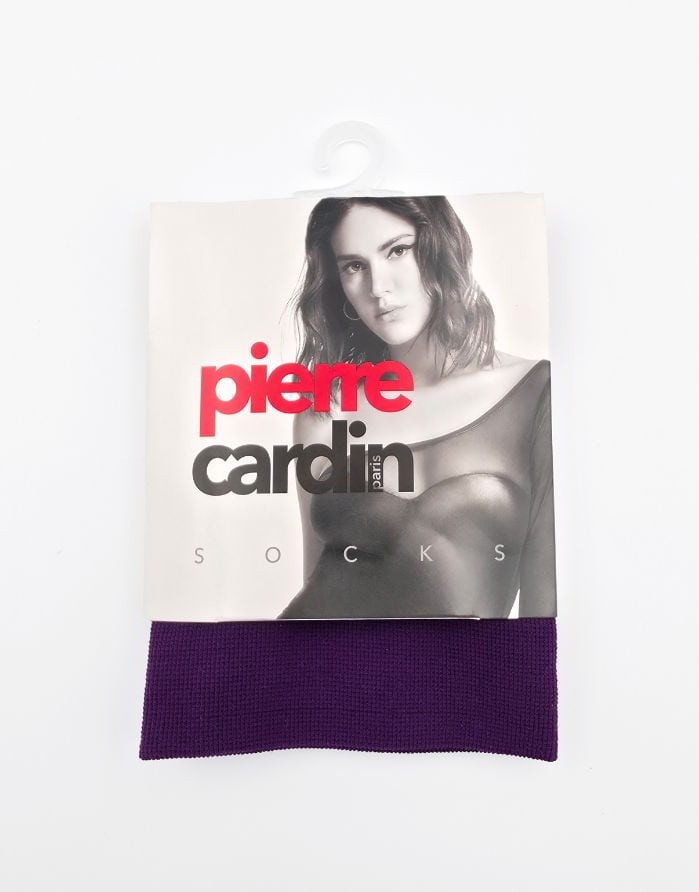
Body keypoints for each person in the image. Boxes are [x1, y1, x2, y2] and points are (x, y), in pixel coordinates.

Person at [279, 196, 556, 619]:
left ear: (439, 247)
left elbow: (543, 615)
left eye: (397, 250)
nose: (378, 288)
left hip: (469, 662)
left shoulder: (534, 391)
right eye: (354, 266)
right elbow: (315, 592)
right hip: (317, 658)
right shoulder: (326, 409)